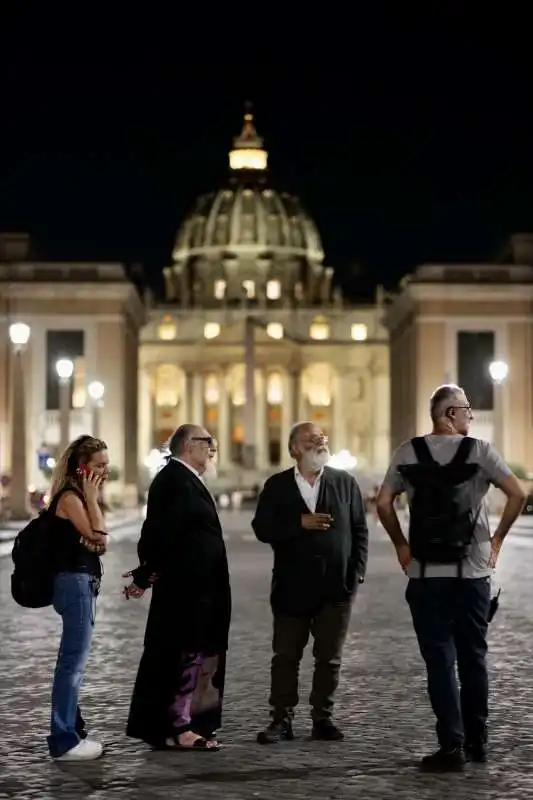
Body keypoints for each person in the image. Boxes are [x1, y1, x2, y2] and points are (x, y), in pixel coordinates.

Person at [376, 384, 526, 772]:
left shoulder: (408, 451)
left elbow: (382, 502)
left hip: (426, 572)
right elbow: (518, 494)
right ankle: (478, 741)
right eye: (466, 410)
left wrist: (400, 545)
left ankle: (451, 746)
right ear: (449, 414)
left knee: (439, 660)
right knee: (473, 656)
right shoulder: (479, 450)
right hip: (472, 569)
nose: (470, 417)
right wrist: (496, 540)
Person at [252, 422, 368, 744]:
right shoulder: (277, 486)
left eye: (322, 437)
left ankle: (323, 718)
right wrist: (298, 524)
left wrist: (356, 572)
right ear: (294, 450)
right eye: (309, 439)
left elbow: (360, 530)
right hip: (292, 587)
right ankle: (281, 719)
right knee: (286, 656)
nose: (318, 441)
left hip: (336, 587)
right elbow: (262, 528)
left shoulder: (345, 482)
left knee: (329, 658)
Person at [124, 425, 231, 751]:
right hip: (185, 591)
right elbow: (157, 534)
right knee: (183, 657)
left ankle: (197, 723)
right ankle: (178, 726)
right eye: (207, 442)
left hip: (202, 590)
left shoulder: (187, 480)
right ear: (188, 446)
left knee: (200, 656)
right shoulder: (171, 480)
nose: (213, 449)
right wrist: (146, 576)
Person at [46, 434, 110, 761]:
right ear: (82, 469)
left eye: (107, 466)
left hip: (81, 583)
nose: (105, 472)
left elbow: (99, 543)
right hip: (74, 584)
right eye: (99, 466)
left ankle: (72, 728)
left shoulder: (77, 498)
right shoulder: (72, 498)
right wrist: (92, 499)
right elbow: (99, 537)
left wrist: (96, 538)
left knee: (73, 662)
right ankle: (64, 739)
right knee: (72, 664)